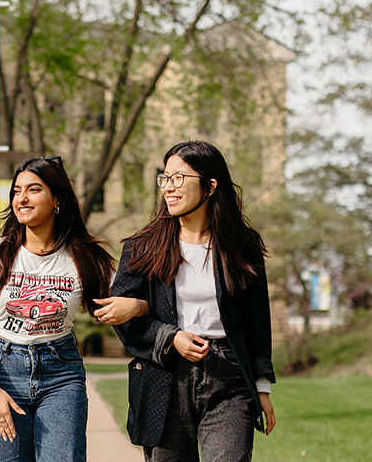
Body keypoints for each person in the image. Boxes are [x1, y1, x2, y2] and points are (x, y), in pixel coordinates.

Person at [0, 156, 139, 462]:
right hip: (4, 369)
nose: (22, 198)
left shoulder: (85, 257)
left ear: (57, 200)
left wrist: (137, 304)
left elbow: (123, 300)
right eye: (17, 191)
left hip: (61, 374)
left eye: (33, 190)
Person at [110, 141, 276, 462]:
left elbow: (258, 319)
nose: (168, 188)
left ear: (210, 186)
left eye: (179, 179)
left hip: (229, 378)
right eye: (165, 179)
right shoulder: (142, 247)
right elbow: (125, 316)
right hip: (166, 377)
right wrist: (170, 336)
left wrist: (262, 386)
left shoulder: (243, 245)